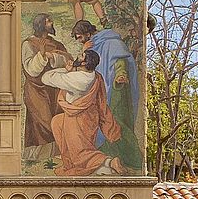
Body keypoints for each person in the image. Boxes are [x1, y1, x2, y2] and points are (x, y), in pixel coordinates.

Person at [72, 18, 142, 169]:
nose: (79, 40)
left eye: (79, 37)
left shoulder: (111, 41)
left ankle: (133, 158)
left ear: (87, 32)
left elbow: (120, 60)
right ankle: (108, 154)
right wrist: (84, 50)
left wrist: (120, 73)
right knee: (104, 121)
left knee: (117, 121)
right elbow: (85, 64)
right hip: (103, 89)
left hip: (117, 89)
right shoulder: (92, 45)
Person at [42, 51, 125, 176]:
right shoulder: (92, 75)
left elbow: (46, 78)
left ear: (84, 62)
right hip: (88, 116)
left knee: (80, 151)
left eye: (81, 55)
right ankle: (69, 160)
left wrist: (66, 70)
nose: (78, 55)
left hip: (78, 118)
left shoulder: (78, 79)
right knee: (57, 122)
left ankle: (109, 162)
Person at [21, 13, 70, 163]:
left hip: (54, 89)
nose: (51, 23)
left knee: (56, 119)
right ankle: (37, 157)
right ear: (41, 24)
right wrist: (42, 55)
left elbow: (68, 60)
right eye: (48, 21)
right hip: (36, 89)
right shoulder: (28, 44)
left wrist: (53, 57)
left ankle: (55, 155)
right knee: (41, 122)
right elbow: (29, 69)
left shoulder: (57, 44)